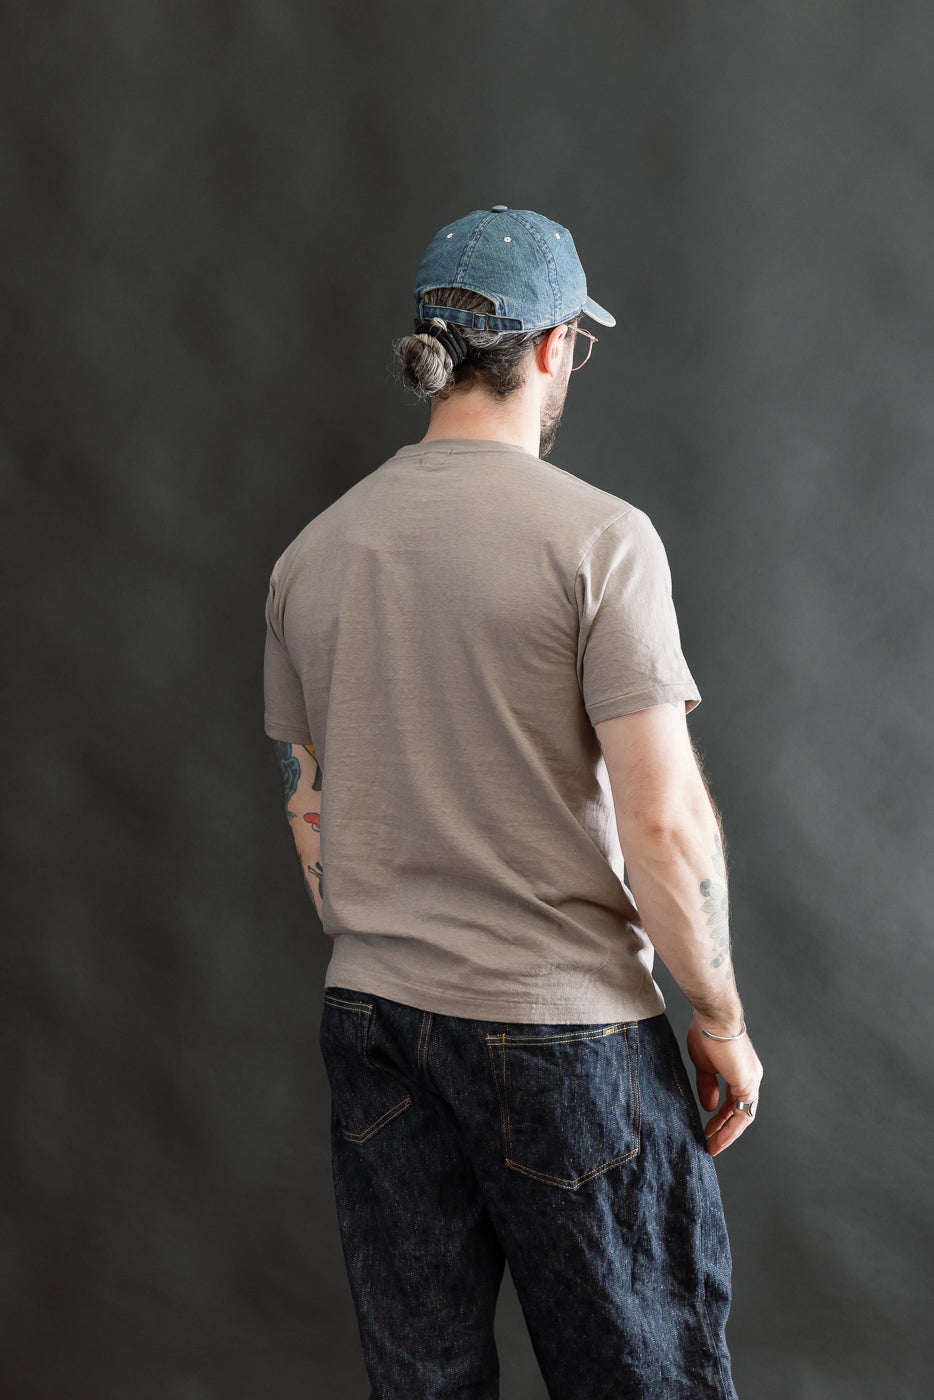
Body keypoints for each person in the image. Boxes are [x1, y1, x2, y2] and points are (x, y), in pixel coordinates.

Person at [263, 204, 763, 1400]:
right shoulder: (601, 541)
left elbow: (309, 811)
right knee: (643, 1376)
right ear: (552, 348)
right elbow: (663, 825)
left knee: (422, 1380)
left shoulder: (311, 555)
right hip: (564, 1032)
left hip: (375, 1023)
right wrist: (719, 1018)